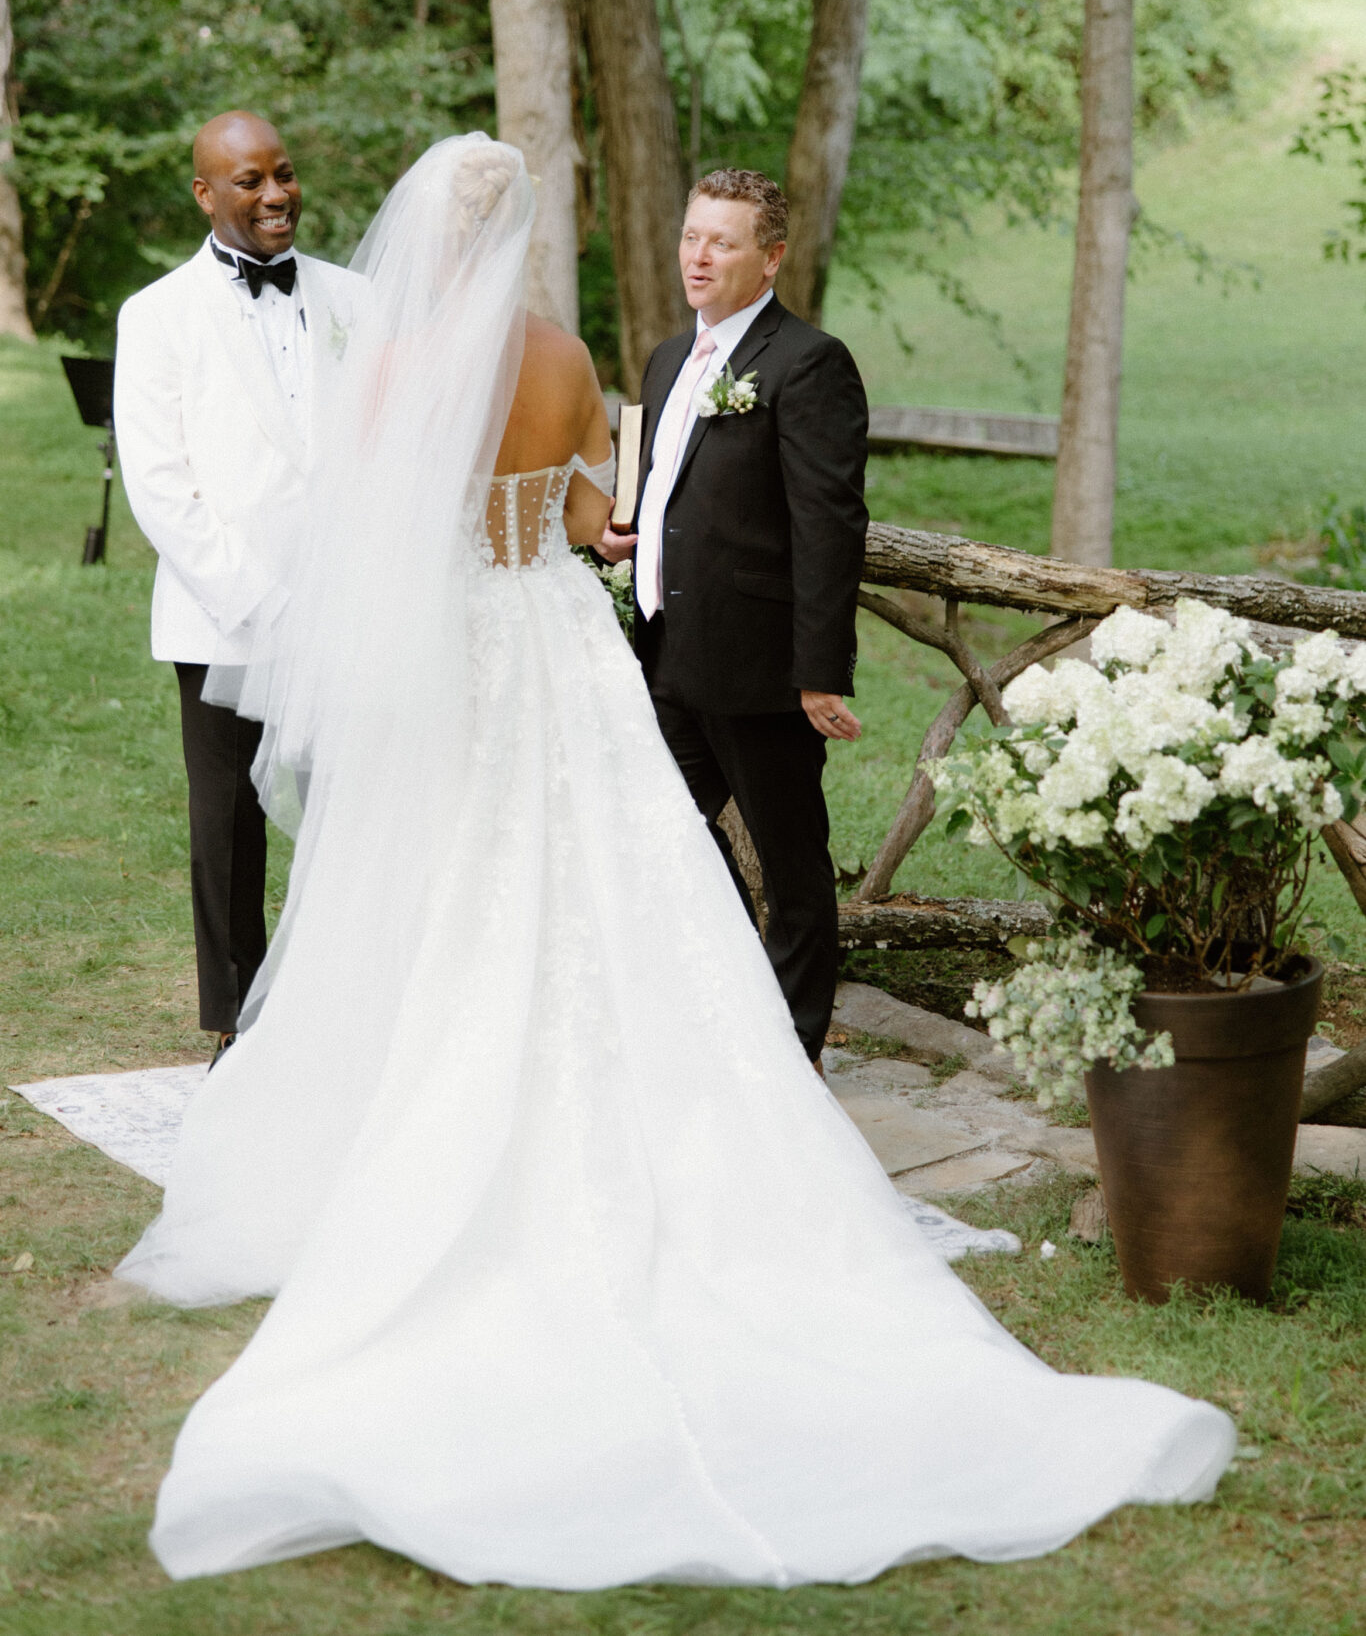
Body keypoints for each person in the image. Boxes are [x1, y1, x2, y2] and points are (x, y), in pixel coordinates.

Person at [116, 135, 1234, 1590]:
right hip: (559, 643)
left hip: (462, 651)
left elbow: (380, 533)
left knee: (443, 895)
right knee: (612, 878)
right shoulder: (571, 357)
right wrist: (580, 521)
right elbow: (591, 519)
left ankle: (422, 1110)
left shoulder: (389, 369)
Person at [596, 169, 866, 1065]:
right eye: (690, 235)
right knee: (662, 836)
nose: (698, 255)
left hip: (758, 669)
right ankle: (715, 1008)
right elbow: (660, 481)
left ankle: (793, 1052)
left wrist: (819, 670)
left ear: (771, 257)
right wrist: (623, 527)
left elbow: (830, 528)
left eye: (723, 241)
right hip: (666, 651)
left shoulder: (808, 362)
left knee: (792, 869)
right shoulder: (672, 358)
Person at [113, 112, 361, 1061]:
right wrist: (261, 600)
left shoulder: (356, 300)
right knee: (228, 827)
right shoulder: (157, 315)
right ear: (205, 194)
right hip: (225, 618)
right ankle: (235, 1024)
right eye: (250, 181)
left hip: (345, 612)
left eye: (285, 175)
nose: (275, 196)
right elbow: (160, 486)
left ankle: (333, 1003)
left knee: (344, 813)